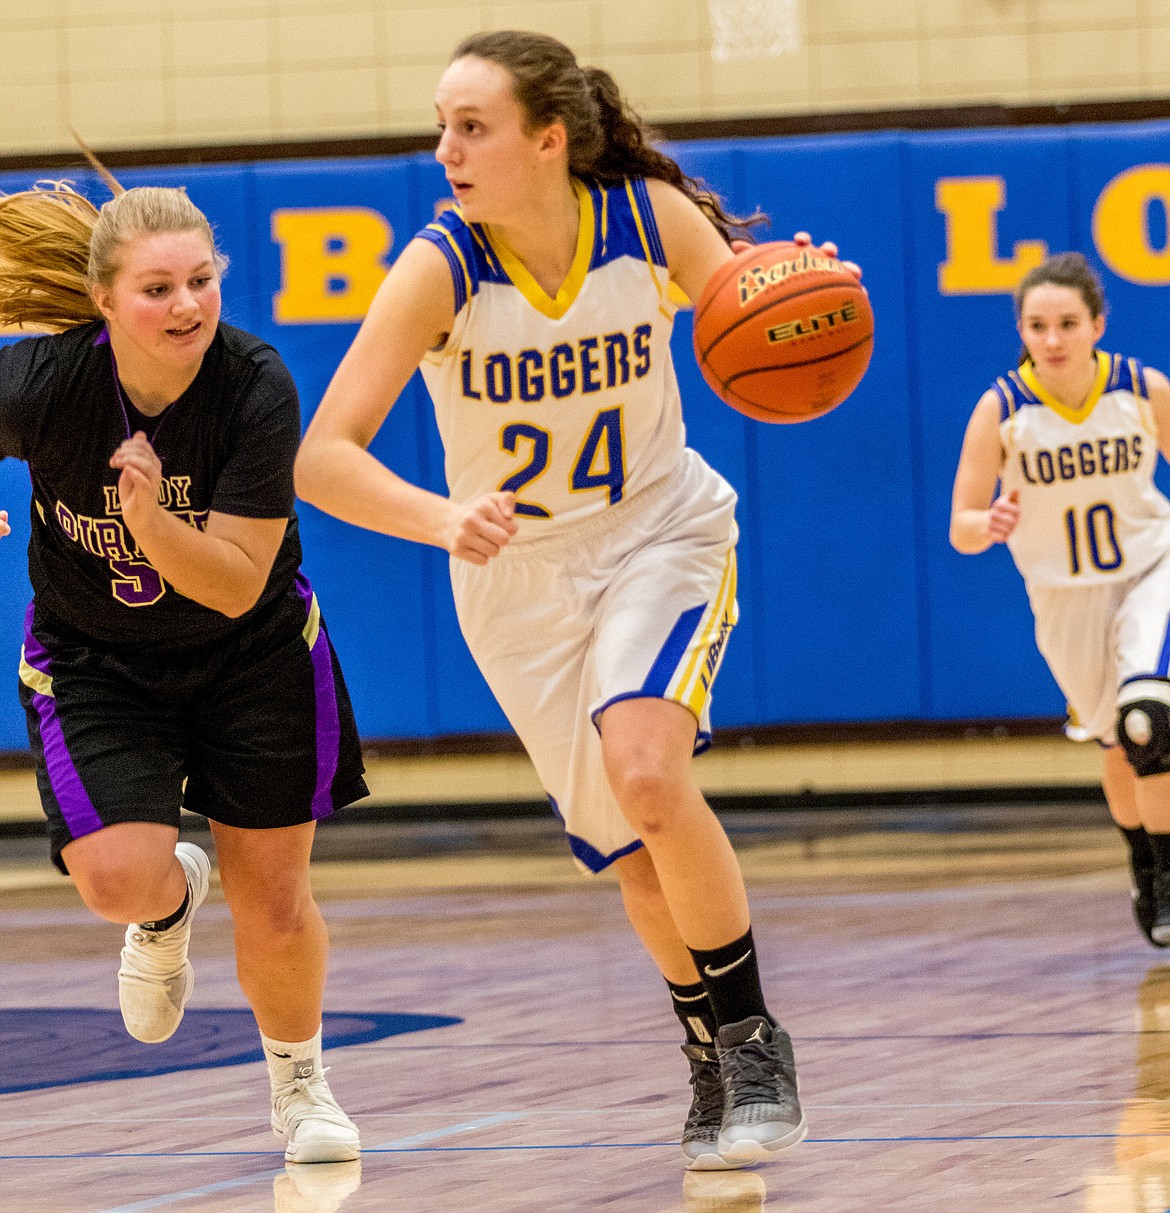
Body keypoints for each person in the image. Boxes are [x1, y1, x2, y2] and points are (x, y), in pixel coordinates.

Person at [294, 29, 854, 1170]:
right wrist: (442, 516)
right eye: (443, 125)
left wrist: (801, 293)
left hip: (660, 532)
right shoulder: (441, 268)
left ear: (547, 141)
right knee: (632, 851)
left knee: (650, 771)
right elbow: (324, 456)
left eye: (472, 126)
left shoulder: (647, 219)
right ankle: (707, 1055)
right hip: (517, 584)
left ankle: (754, 1040)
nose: (444, 148)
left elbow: (756, 303)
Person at [0, 177, 369, 1162]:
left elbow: (238, 583)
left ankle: (300, 1085)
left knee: (275, 898)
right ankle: (165, 906)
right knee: (118, 879)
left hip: (250, 655)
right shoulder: (43, 384)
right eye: (157, 289)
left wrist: (152, 520)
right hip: (96, 661)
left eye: (201, 280)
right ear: (105, 303)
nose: (188, 305)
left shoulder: (256, 386)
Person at [950, 251, 1170, 948]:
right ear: (1022, 328)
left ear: (1096, 324)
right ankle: (1142, 857)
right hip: (1064, 596)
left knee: (1150, 721)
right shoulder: (1002, 409)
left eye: (1068, 323)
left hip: (1151, 571)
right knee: (1115, 742)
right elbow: (961, 524)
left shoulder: (1141, 388)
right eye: (1038, 324)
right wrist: (990, 525)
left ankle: (1168, 874)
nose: (1053, 338)